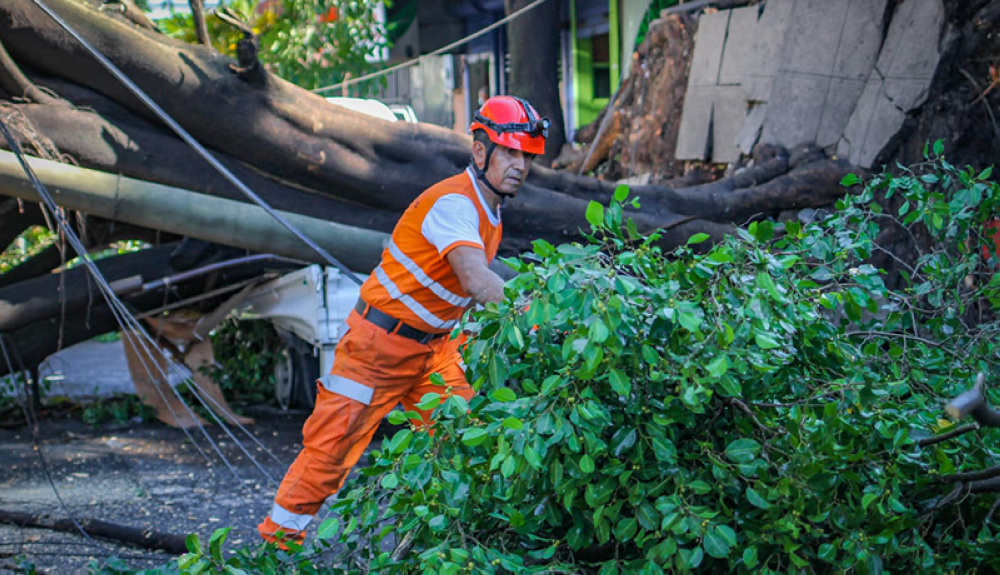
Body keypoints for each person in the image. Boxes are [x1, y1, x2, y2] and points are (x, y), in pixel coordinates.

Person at [258, 95, 549, 546]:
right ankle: (276, 546)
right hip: (377, 347)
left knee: (469, 437)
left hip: (431, 350)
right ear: (480, 150)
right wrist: (544, 317)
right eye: (510, 152)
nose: (520, 165)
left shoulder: (488, 210)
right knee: (331, 452)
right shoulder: (454, 204)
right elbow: (476, 280)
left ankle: (455, 539)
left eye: (527, 156)